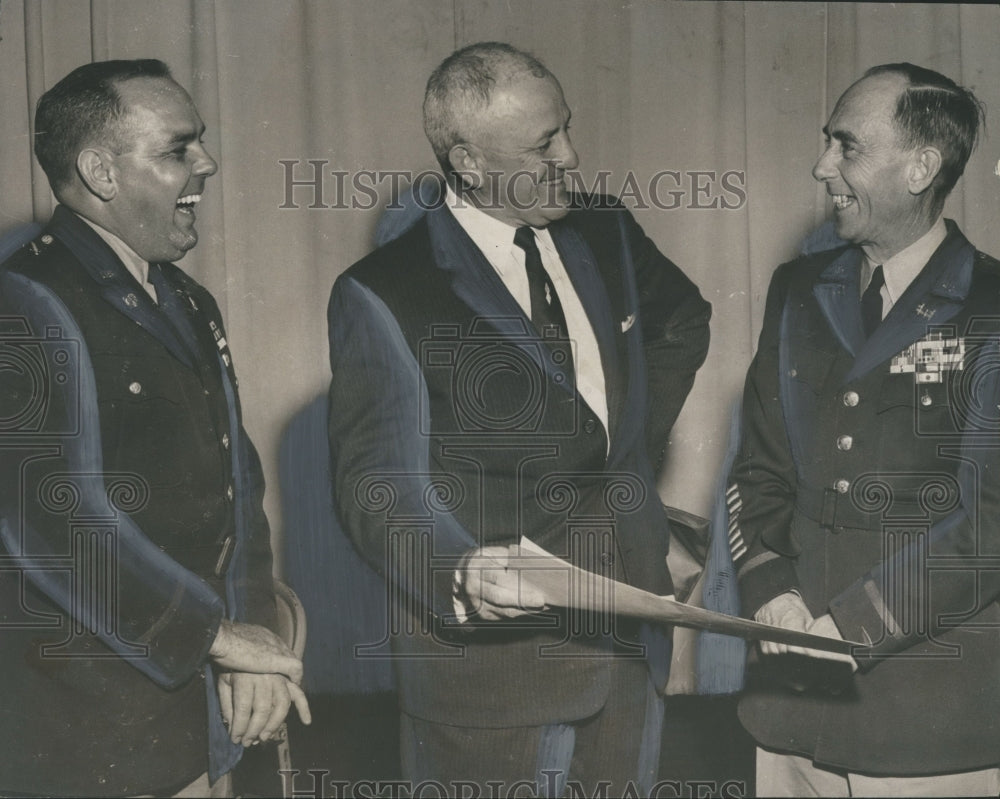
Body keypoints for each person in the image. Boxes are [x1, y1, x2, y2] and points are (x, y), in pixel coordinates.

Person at [327, 42, 710, 795]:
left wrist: (620, 451)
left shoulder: (605, 229)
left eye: (566, 127)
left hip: (630, 635)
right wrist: (461, 568)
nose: (572, 154)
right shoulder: (384, 290)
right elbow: (377, 484)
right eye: (543, 144)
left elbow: (682, 320)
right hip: (494, 672)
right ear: (467, 161)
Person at [0, 59, 309, 797]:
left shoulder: (188, 300)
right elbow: (55, 522)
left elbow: (238, 491)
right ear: (100, 172)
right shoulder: (26, 303)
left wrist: (250, 642)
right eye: (177, 149)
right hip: (89, 726)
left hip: (197, 710)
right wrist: (220, 638)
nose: (206, 163)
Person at [728, 62, 1000, 796]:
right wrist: (771, 591)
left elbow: (991, 525)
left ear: (920, 168)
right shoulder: (796, 291)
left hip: (930, 719)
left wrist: (855, 623)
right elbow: (757, 470)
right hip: (788, 705)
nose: (821, 167)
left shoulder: (992, 305)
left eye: (846, 146)